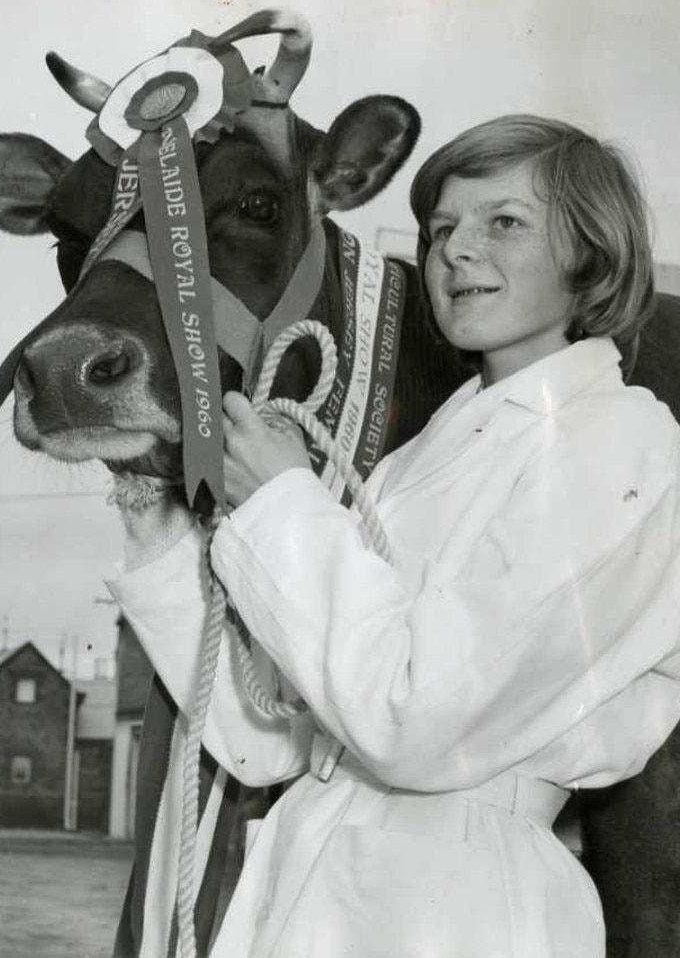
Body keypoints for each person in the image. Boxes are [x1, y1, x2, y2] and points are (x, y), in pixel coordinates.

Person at [107, 114, 680, 957]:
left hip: (460, 905)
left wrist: (283, 501)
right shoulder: (408, 467)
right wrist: (150, 507)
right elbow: (270, 738)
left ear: (590, 254)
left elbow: (417, 712)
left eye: (504, 222)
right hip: (318, 886)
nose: (455, 250)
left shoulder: (623, 440)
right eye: (442, 227)